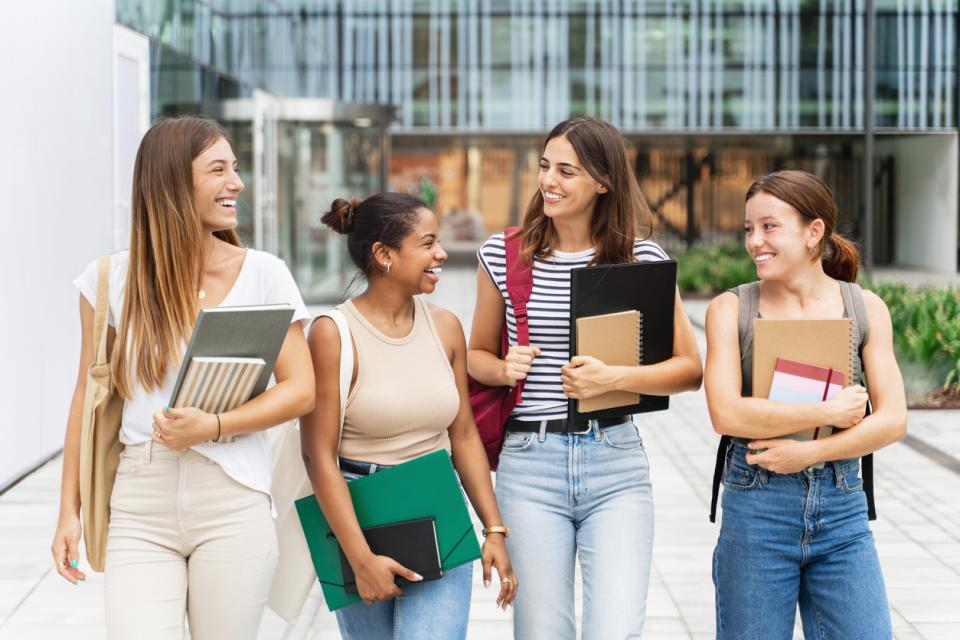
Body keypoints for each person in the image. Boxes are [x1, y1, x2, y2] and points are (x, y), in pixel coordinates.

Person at [51, 116, 315, 639]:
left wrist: (214, 425)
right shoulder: (110, 280)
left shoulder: (264, 273)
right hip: (140, 502)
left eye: (235, 168)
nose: (236, 183)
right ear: (172, 181)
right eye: (218, 170)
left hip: (233, 497)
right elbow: (87, 393)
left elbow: (301, 388)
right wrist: (68, 512)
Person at [467, 116, 703, 639]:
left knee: (615, 630)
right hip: (530, 466)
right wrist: (503, 368)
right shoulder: (504, 256)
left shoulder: (641, 258)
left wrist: (613, 377)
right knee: (541, 632)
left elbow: (690, 370)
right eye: (546, 166)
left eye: (567, 171)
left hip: (615, 462)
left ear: (603, 181)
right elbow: (475, 356)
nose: (549, 180)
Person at [300, 192, 517, 640]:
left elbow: (463, 436)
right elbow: (318, 456)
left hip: (437, 509)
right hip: (360, 515)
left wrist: (493, 528)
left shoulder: (446, 327)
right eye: (427, 243)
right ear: (384, 255)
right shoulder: (332, 334)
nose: (440, 253)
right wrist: (361, 560)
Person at [704, 170, 907, 639]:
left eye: (769, 227)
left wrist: (811, 451)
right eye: (749, 229)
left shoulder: (864, 308)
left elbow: (894, 419)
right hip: (757, 508)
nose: (755, 241)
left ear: (814, 232)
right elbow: (726, 414)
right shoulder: (730, 310)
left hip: (842, 509)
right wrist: (826, 414)